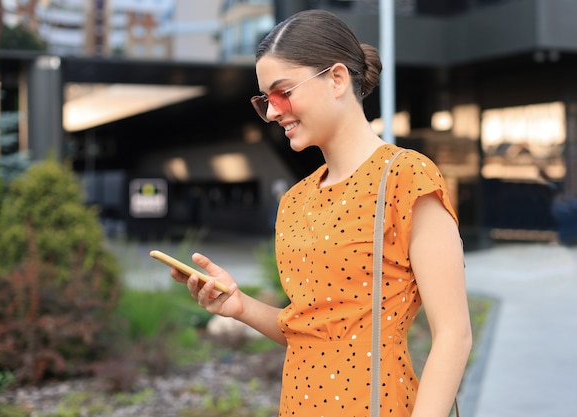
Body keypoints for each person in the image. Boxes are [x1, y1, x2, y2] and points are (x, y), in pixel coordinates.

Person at [170, 9, 471, 417]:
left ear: (336, 79)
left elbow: (453, 335)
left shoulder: (405, 176)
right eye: (264, 100)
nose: (273, 111)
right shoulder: (295, 200)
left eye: (283, 92)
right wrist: (240, 307)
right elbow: (312, 329)